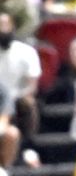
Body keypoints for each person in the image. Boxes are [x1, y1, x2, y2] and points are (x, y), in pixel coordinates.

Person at [0, 13, 38, 143]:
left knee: (29, 103)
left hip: (19, 98)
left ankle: (28, 144)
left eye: (5, 25)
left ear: (13, 27)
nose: (2, 30)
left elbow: (32, 84)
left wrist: (18, 96)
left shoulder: (26, 52)